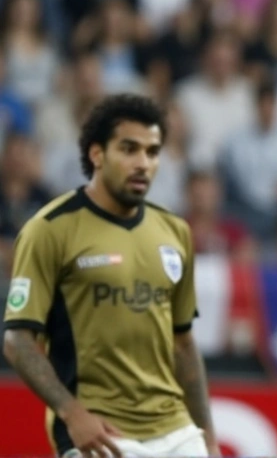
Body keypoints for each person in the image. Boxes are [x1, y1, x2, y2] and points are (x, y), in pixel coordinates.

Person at [3, 94, 217, 458]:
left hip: (176, 430)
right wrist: (72, 413)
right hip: (101, 433)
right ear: (97, 154)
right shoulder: (50, 229)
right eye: (129, 149)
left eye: (152, 152)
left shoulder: (174, 232)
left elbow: (183, 344)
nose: (143, 163)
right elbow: (17, 340)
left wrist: (208, 438)